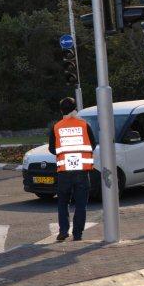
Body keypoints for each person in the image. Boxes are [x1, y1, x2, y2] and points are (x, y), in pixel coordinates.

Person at [49, 97, 98, 242]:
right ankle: (78, 234)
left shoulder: (57, 127)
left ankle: (63, 231)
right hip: (82, 171)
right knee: (81, 205)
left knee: (63, 203)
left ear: (61, 110)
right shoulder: (84, 125)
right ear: (75, 108)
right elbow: (93, 145)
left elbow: (52, 149)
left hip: (64, 172)